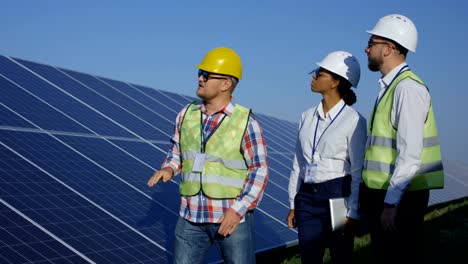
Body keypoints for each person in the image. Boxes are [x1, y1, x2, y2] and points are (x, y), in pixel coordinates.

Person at [147, 47, 268, 264]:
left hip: (229, 218)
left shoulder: (245, 122)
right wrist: (169, 168)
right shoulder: (186, 114)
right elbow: (176, 153)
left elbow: (259, 171)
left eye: (206, 74)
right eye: (199, 74)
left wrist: (237, 210)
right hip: (190, 217)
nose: (200, 79)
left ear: (226, 83)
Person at [361, 14, 444, 264]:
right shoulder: (390, 88)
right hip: (386, 194)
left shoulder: (407, 89)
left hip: (400, 198)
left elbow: (410, 155)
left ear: (388, 49)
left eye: (372, 42)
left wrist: (391, 205)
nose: (367, 48)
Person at [287, 51, 367, 264]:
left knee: (341, 255)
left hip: (338, 195)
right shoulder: (306, 116)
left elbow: (358, 170)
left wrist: (354, 211)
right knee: (309, 257)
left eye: (319, 73)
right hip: (306, 198)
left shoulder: (354, 120)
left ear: (335, 82)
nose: (313, 77)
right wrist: (293, 203)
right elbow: (298, 163)